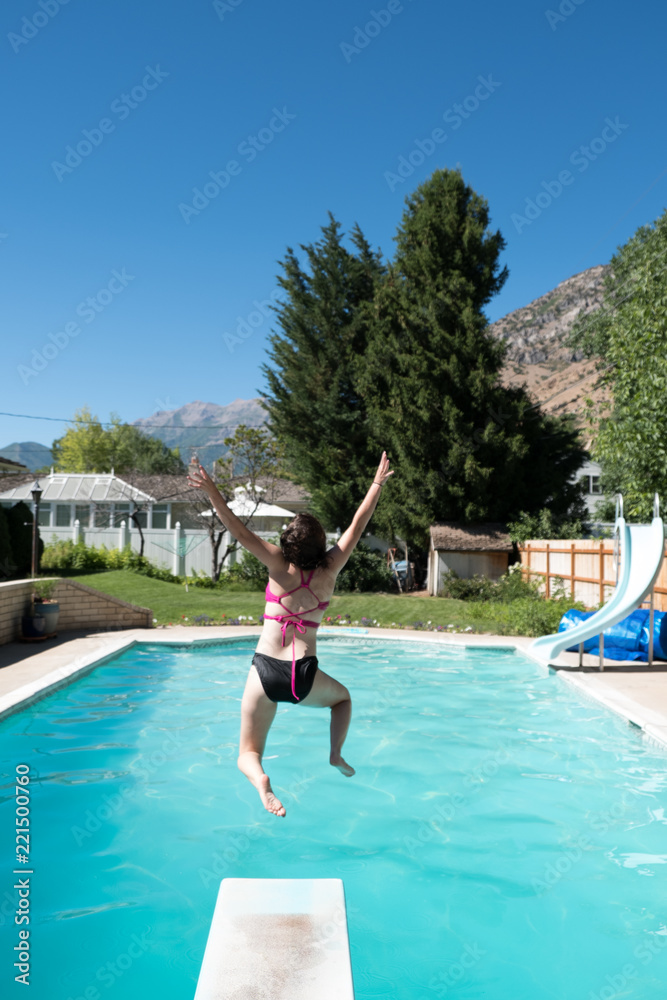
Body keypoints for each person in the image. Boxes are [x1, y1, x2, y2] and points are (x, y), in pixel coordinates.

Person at [187, 452, 394, 817]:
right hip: (304, 675)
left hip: (264, 670)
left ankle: (262, 781)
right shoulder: (331, 568)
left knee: (247, 754)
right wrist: (376, 484)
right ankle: (335, 754)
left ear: (287, 546)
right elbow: (358, 526)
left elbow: (236, 528)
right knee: (342, 700)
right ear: (320, 544)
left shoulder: (276, 564)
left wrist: (211, 490)